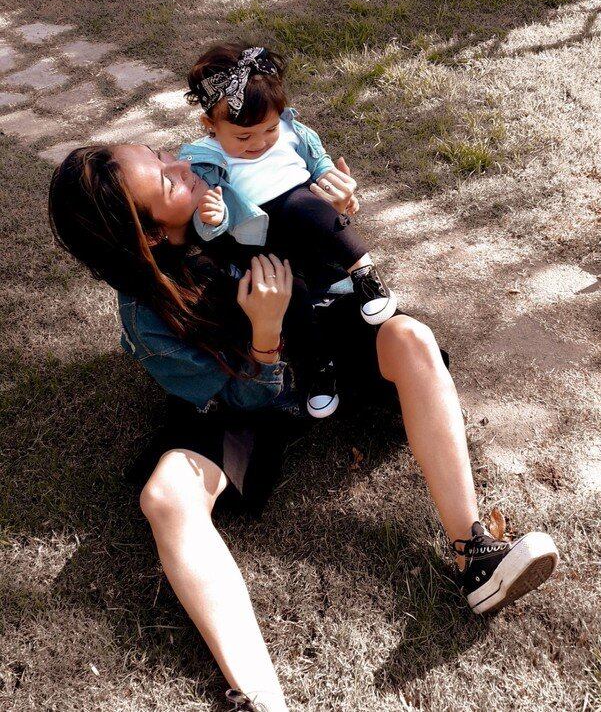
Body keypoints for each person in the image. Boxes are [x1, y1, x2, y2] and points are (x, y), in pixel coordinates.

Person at [48, 143, 560, 711]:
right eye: (168, 185)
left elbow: (306, 211)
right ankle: (260, 698)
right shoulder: (149, 317)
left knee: (410, 338)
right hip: (242, 394)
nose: (185, 168)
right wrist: (264, 336)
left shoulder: (224, 179)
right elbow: (238, 400)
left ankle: (476, 556)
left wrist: (334, 202)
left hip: (321, 341)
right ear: (149, 236)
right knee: (166, 497)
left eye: (162, 155)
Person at [180, 43, 396, 418]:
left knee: (305, 206)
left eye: (268, 130)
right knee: (286, 297)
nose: (259, 143)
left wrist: (333, 183)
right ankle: (315, 368)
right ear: (210, 126)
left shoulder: (294, 131)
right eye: (243, 138)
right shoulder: (203, 160)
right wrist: (211, 219)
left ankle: (363, 275)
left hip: (305, 219)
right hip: (259, 242)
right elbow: (206, 226)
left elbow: (321, 165)